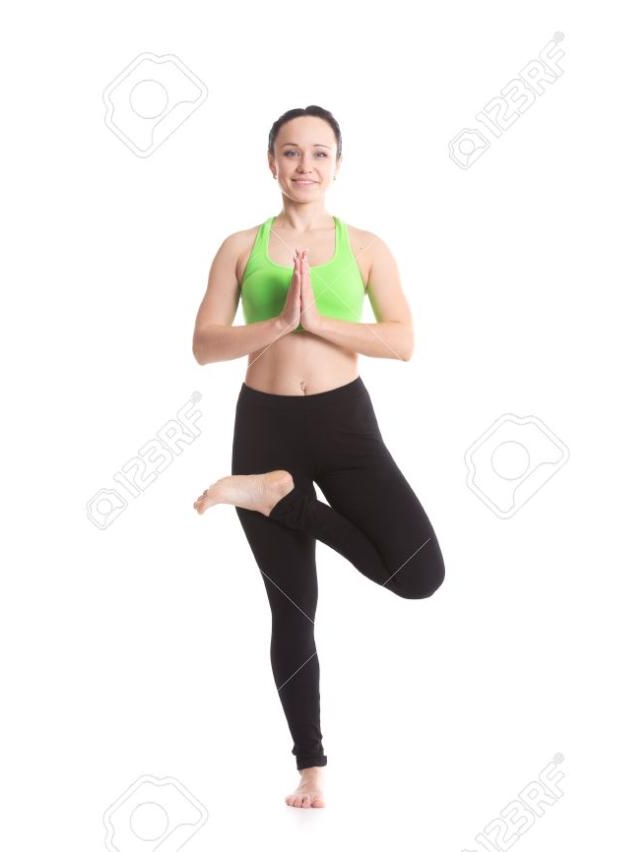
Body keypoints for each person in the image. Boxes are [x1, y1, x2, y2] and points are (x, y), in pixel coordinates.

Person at [190, 105, 445, 809]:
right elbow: (205, 344)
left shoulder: (366, 247)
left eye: (320, 154)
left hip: (343, 425)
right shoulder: (240, 246)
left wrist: (319, 321)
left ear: (338, 165)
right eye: (291, 152)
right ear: (271, 162)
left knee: (420, 573)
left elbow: (402, 342)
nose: (306, 166)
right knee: (293, 608)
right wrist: (273, 324)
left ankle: (278, 500)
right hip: (265, 427)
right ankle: (310, 768)